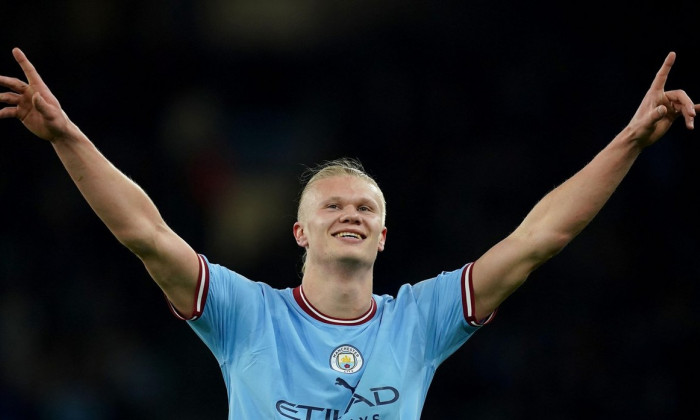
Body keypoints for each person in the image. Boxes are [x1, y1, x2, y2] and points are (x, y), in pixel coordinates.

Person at [0, 47, 697, 419]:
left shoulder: (420, 321)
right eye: (332, 206)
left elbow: (539, 237)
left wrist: (630, 141)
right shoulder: (247, 315)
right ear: (300, 231)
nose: (351, 214)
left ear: (385, 235)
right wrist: (65, 134)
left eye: (365, 207)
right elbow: (147, 235)